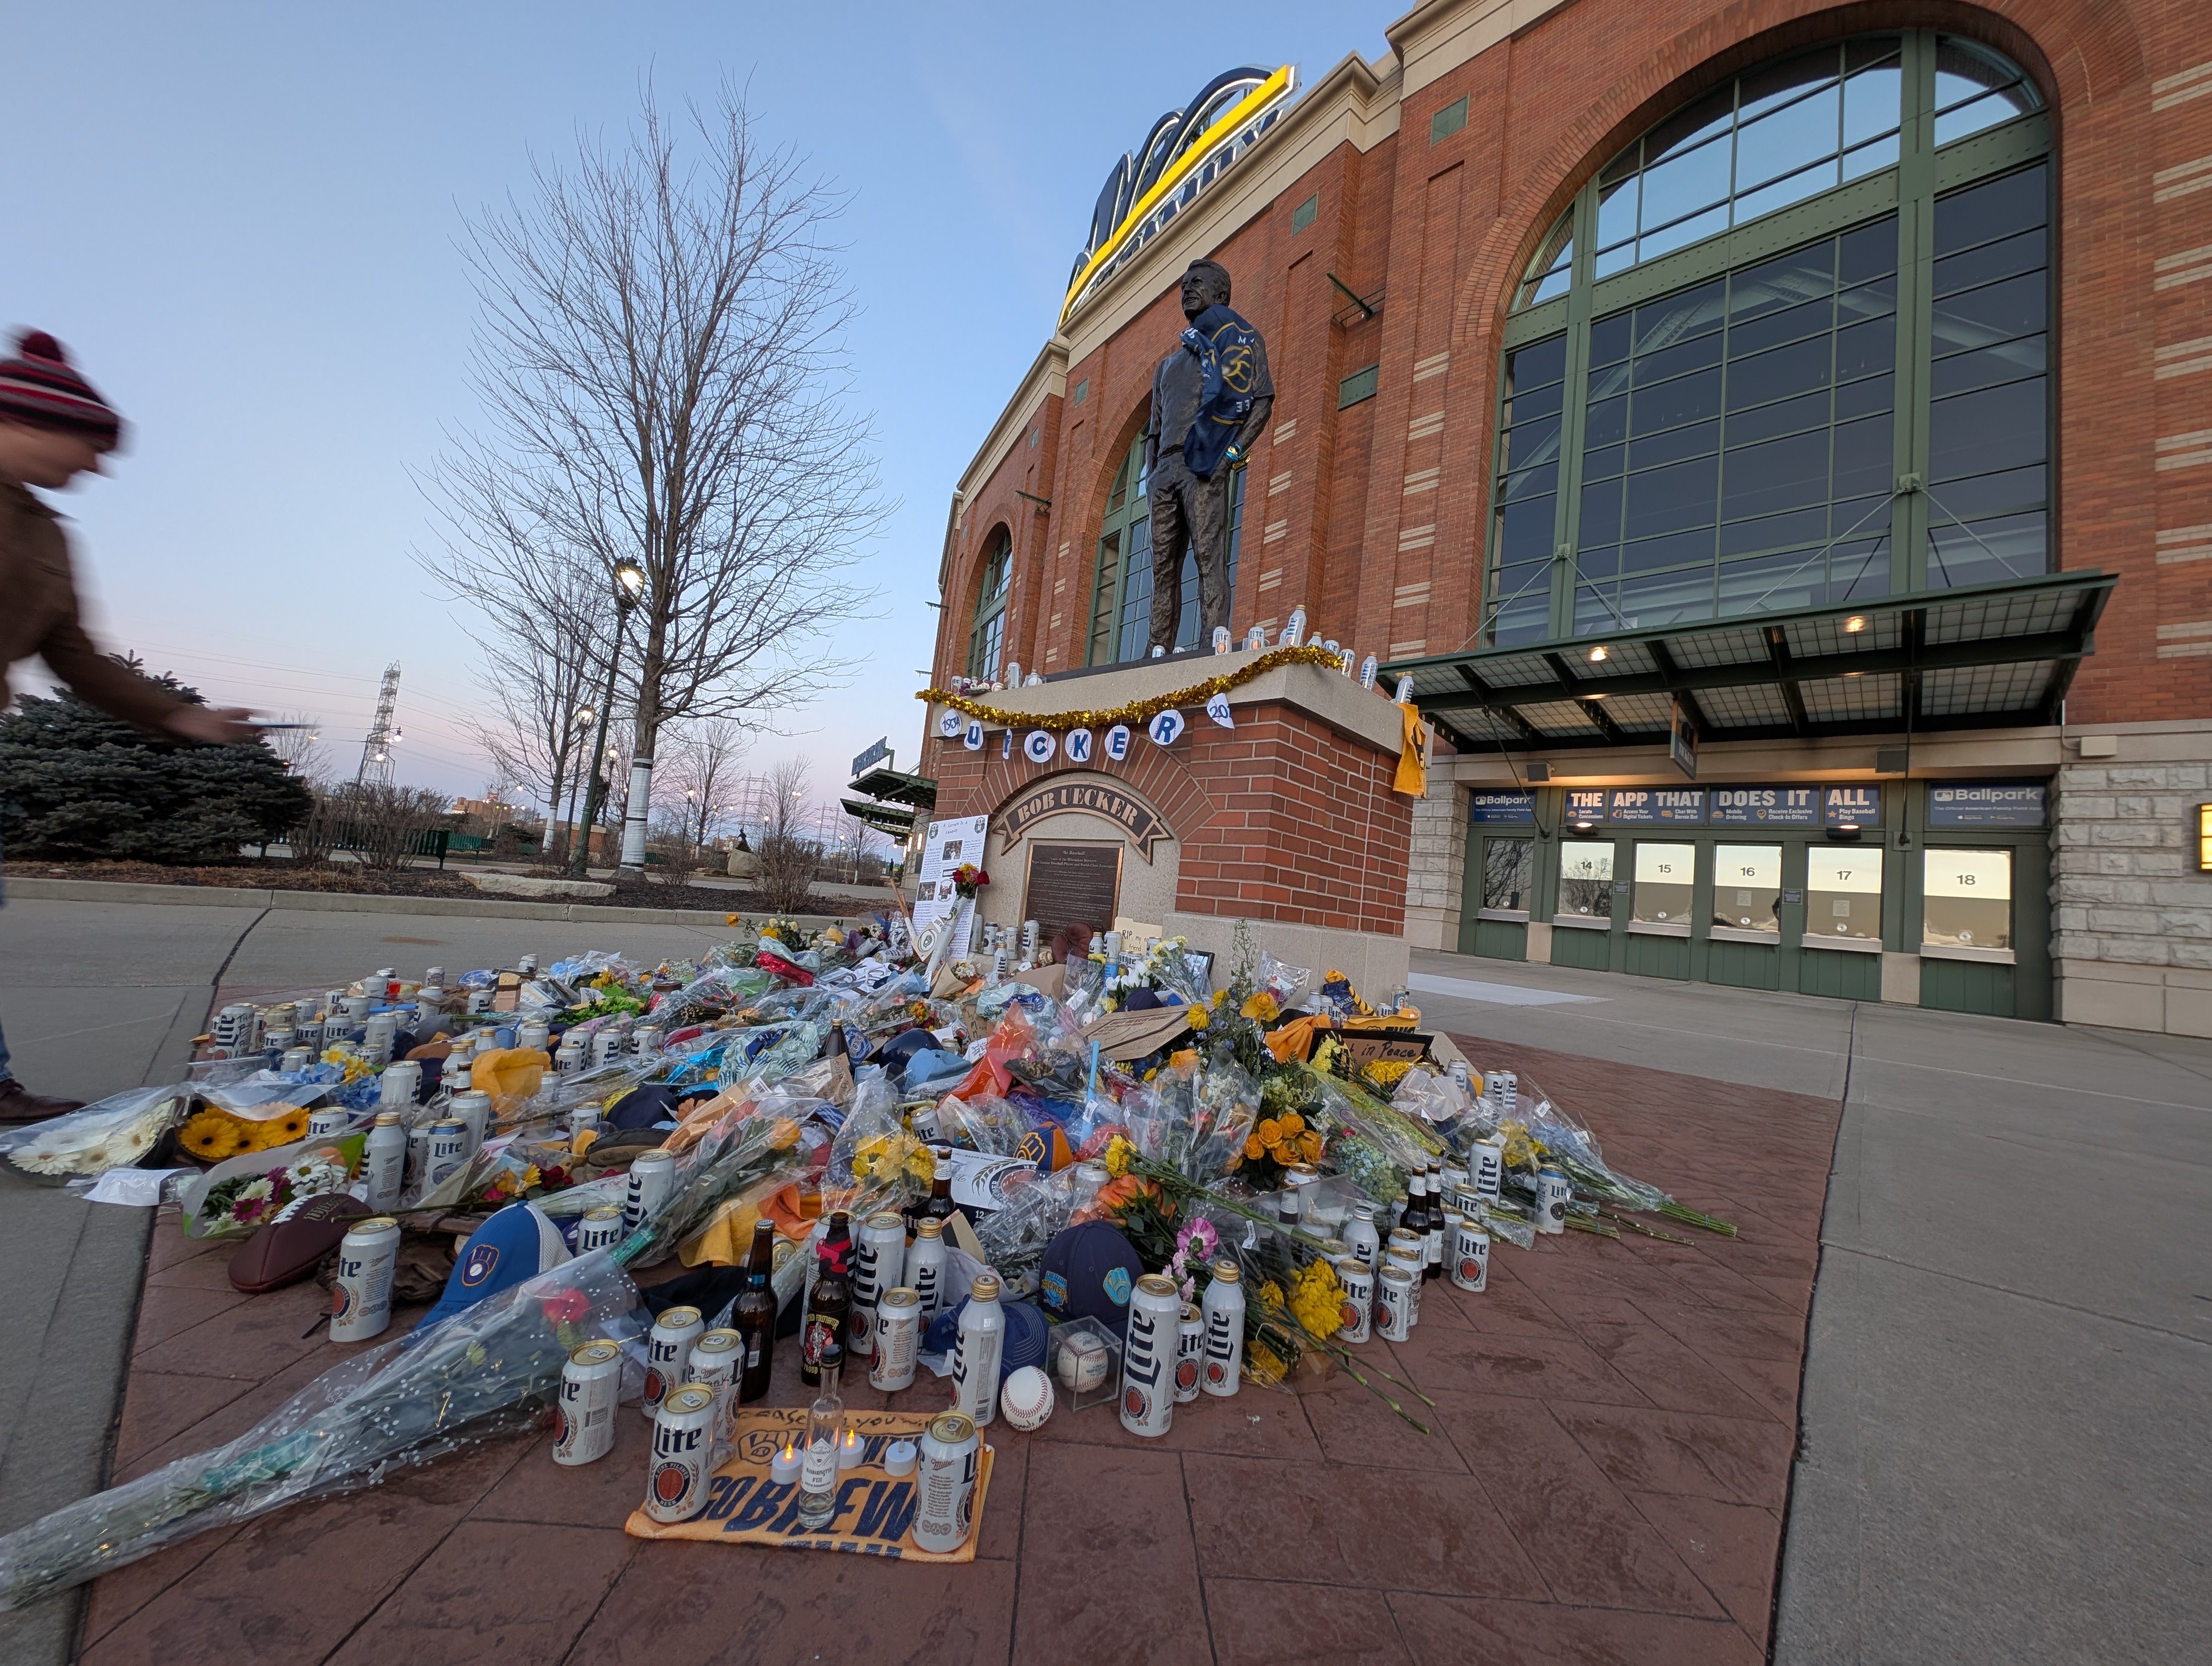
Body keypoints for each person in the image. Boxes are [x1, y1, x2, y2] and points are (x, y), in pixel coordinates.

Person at [0, 329, 254, 1122]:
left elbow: (76, 656)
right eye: (88, 445)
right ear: (29, 422)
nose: (97, 465)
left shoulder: (44, 536)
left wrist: (184, 717)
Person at [1142, 258, 1274, 655]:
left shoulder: (1238, 347)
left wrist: (1230, 456)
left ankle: (1210, 648)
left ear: (1220, 295)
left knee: (1208, 560)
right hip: (1165, 469)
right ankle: (1156, 650)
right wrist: (1152, 477)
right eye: (1183, 285)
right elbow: (1154, 429)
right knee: (1162, 571)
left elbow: (1262, 401)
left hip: (1204, 465)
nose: (1186, 290)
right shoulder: (1167, 366)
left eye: (1196, 283)